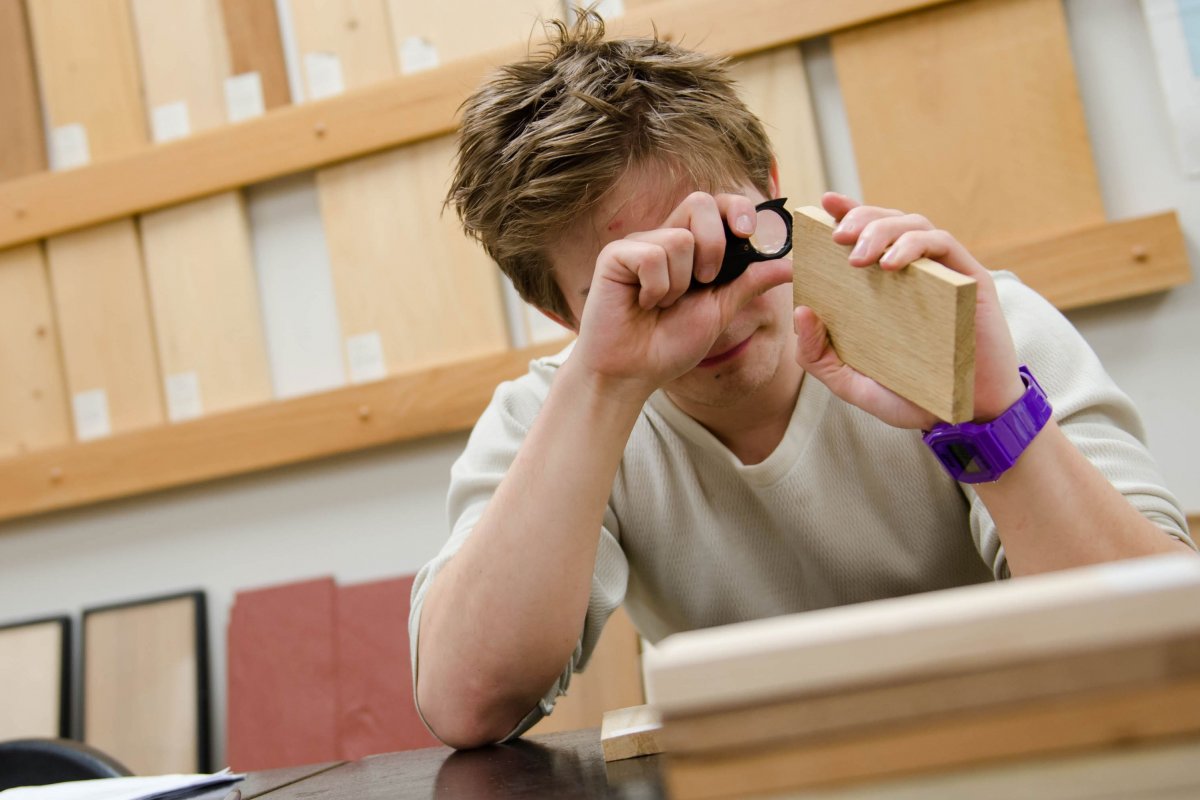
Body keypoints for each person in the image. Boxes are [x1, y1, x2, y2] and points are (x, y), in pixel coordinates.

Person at [408, 13, 1195, 749]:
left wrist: (991, 419)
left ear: (771, 185)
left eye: (729, 245)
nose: (709, 319)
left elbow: (1171, 643)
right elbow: (469, 702)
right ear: (554, 308)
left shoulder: (979, 328)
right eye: (646, 290)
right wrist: (606, 384)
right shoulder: (556, 413)